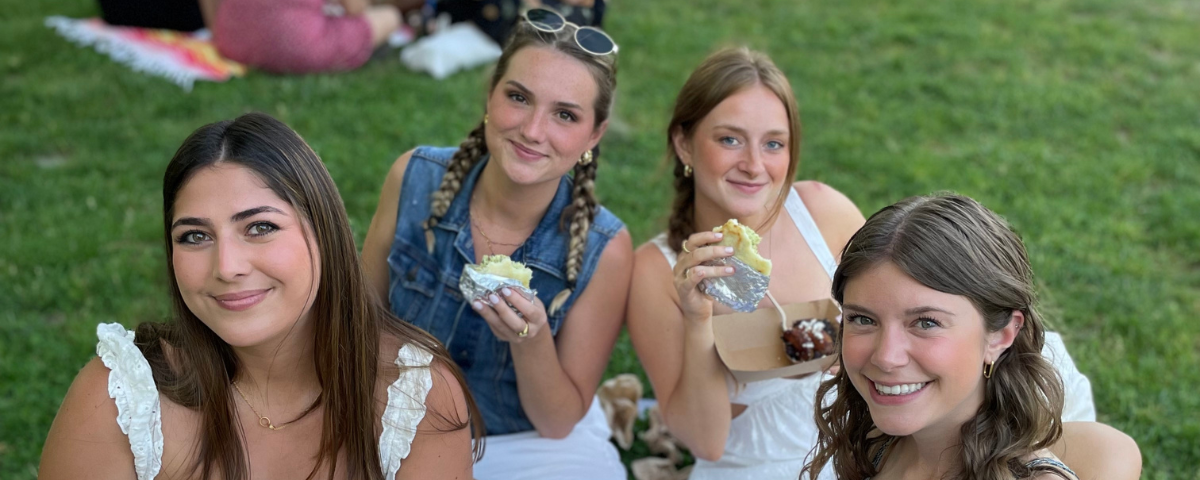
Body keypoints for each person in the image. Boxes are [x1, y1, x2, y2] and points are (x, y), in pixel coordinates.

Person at [625, 47, 1098, 480]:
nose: (754, 165)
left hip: (873, 415)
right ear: (684, 144)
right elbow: (708, 442)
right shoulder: (659, 269)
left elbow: (904, 308)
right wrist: (696, 321)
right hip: (764, 457)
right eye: (730, 140)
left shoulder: (821, 211)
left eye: (773, 144)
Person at [39, 112, 481, 480]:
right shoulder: (121, 399)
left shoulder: (413, 398)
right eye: (195, 236)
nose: (227, 266)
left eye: (260, 227)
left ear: (323, 233)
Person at [361, 8, 631, 479]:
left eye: (565, 114)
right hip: (392, 421)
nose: (532, 130)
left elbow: (557, 420)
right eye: (518, 97)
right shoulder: (415, 178)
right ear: (490, 94)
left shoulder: (603, 248)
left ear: (594, 134)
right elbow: (356, 322)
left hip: (518, 447)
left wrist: (531, 341)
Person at [801, 193, 1141, 480]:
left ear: (1001, 335)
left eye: (926, 323)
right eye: (863, 318)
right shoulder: (881, 441)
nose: (886, 356)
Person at [212, 0, 412, 73]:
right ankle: (368, 49)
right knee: (390, 15)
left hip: (231, 37)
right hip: (294, 44)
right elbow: (355, 7)